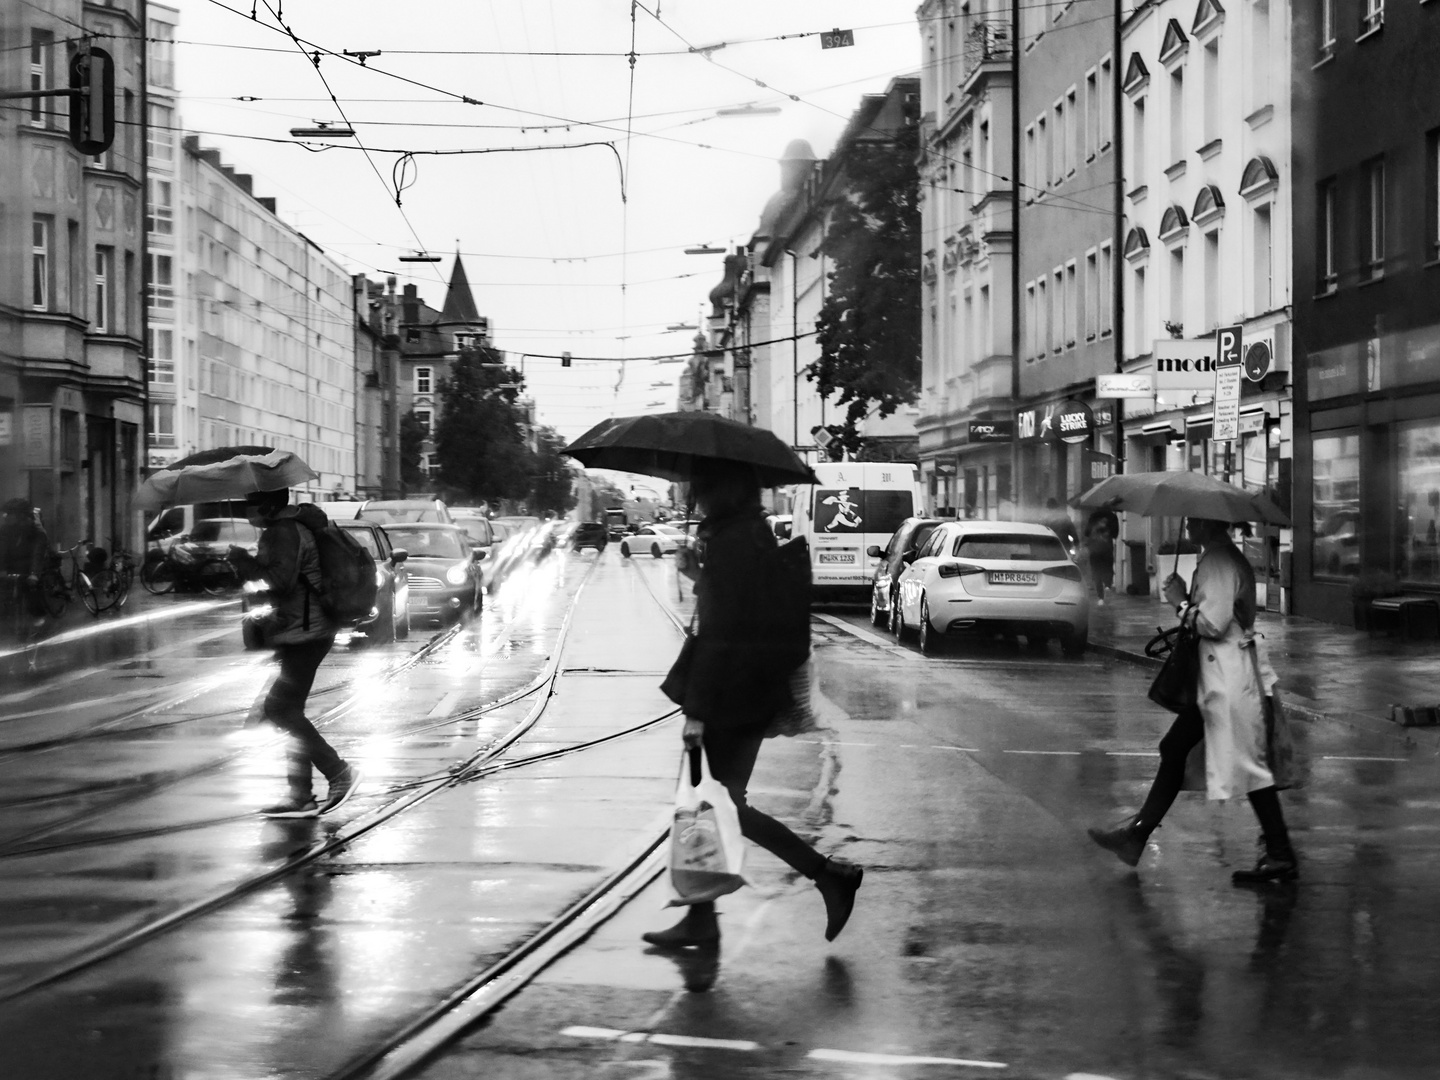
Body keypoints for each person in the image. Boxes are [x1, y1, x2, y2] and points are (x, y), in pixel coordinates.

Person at [645, 459, 863, 950]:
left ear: (720, 489)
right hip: (745, 692)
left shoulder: (733, 542)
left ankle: (829, 874)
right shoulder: (745, 535)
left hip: (730, 697)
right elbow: (737, 609)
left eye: (700, 484)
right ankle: (701, 917)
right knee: (708, 805)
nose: (694, 492)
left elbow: (722, 635)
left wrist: (696, 711)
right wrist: (699, 571)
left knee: (720, 806)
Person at [1087, 517, 1298, 884]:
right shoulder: (1219, 558)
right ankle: (1136, 835)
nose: (1188, 524)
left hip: (1228, 678)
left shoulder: (1219, 562)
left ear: (1207, 524)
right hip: (1218, 679)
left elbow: (1213, 623)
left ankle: (1280, 853)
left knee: (1248, 766)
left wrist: (1180, 602)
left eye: (1195, 520)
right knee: (1176, 748)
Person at [228, 490, 361, 819]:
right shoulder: (289, 529)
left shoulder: (284, 531)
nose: (247, 511)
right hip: (300, 629)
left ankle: (339, 772)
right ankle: (300, 794)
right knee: (290, 711)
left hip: (306, 630)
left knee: (279, 708)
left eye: (251, 503)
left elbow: (280, 581)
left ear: (269, 504)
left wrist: (244, 563)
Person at [1, 498, 49, 632]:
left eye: (9, 514)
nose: (6, 517)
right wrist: (2, 569)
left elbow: (37, 554)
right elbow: (2, 550)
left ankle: (39, 614)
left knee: (31, 590)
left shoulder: (36, 532)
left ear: (20, 516)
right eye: (5, 514)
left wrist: (34, 574)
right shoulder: (5, 530)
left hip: (30, 566)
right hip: (12, 565)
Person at [1084, 511, 1117, 605]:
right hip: (1107, 549)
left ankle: (1100, 598)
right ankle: (1107, 585)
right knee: (1108, 568)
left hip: (1094, 550)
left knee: (1096, 572)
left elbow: (1086, 533)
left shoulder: (1093, 516)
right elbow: (1115, 534)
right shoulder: (1112, 517)